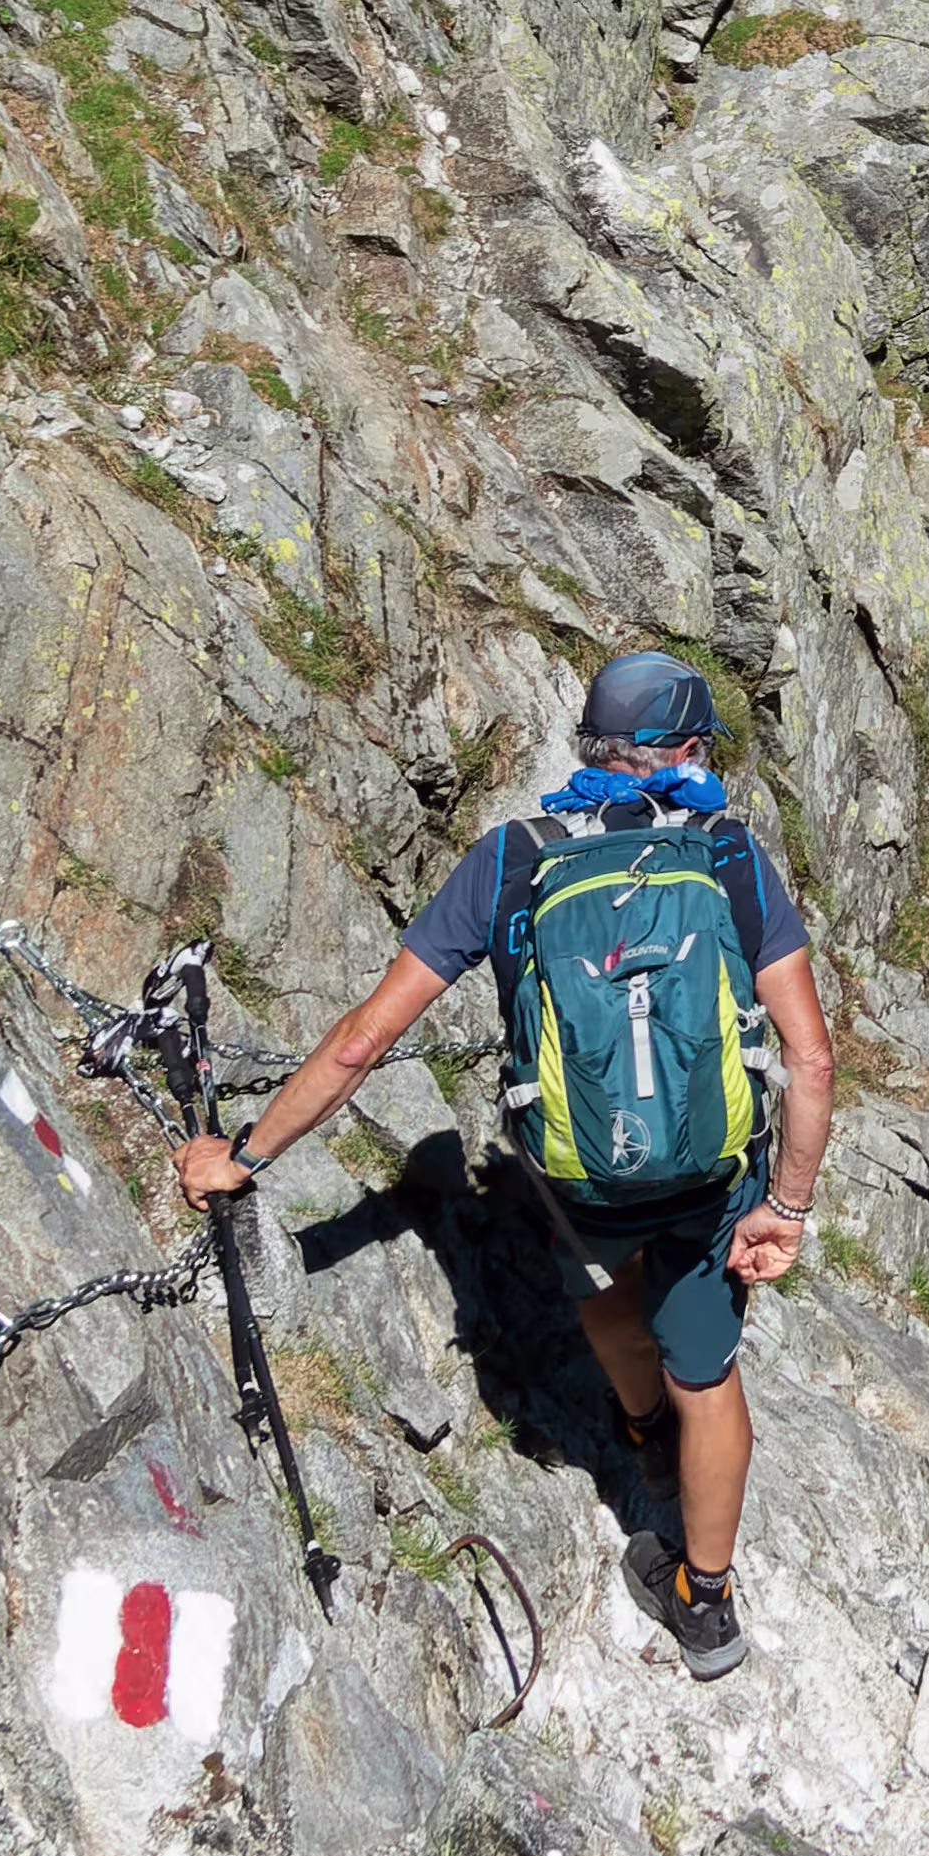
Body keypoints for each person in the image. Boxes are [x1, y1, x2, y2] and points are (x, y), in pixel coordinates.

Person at [175, 650, 835, 1683]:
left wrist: (243, 1154)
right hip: (714, 1184)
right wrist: (785, 1210)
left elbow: (363, 1041)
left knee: (604, 1292)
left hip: (579, 1182)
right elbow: (812, 1060)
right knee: (710, 1379)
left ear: (595, 747)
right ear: (685, 751)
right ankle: (704, 1603)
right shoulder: (730, 856)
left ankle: (640, 1427)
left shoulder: (514, 859)